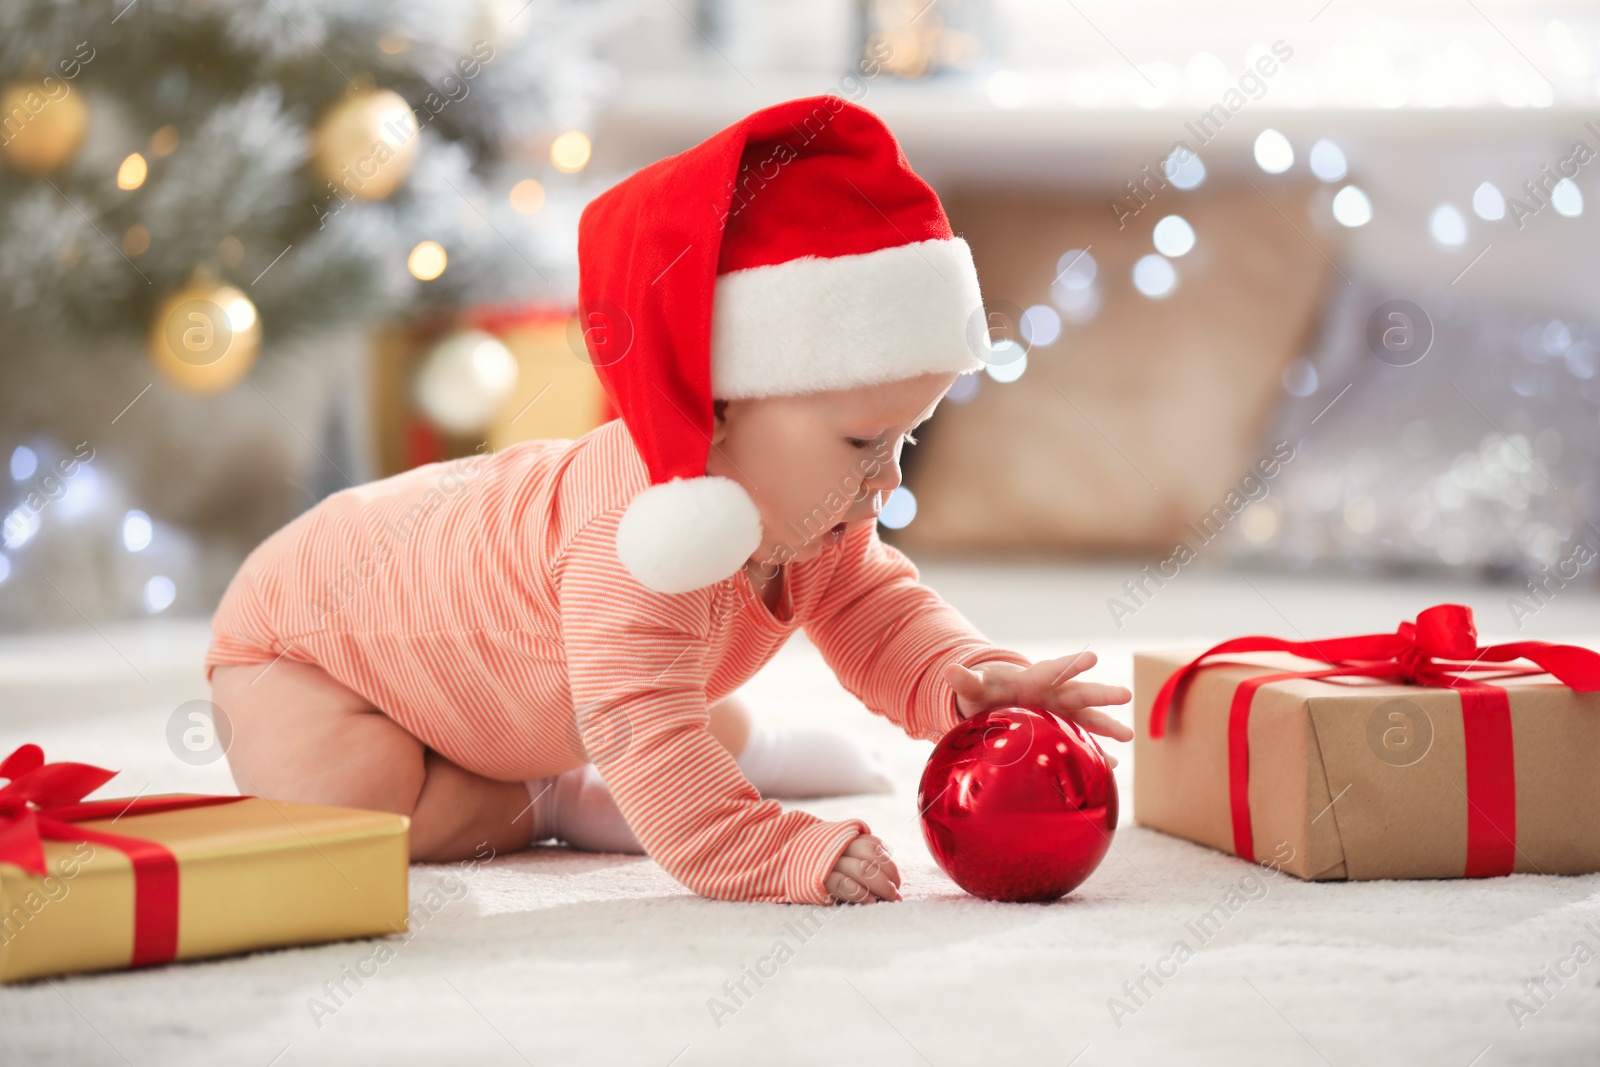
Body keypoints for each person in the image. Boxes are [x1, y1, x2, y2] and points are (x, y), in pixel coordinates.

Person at [205, 95, 1133, 907]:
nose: (887, 480)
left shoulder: (805, 514)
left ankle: (689, 745)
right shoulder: (632, 545)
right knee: (363, 806)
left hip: (545, 690)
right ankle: (550, 794)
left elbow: (877, 610)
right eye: (862, 442)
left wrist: (972, 678)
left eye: (905, 440)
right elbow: (644, 726)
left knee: (668, 706)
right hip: (305, 654)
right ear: (719, 407)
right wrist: (771, 847)